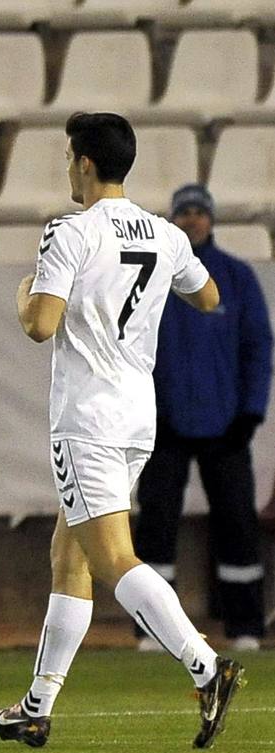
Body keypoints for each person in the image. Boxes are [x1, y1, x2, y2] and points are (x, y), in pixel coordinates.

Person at [0, 113, 245, 751]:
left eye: (70, 157)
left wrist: (21, 295)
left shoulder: (67, 233)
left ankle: (207, 667)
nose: (68, 168)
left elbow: (40, 324)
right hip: (135, 416)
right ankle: (37, 707)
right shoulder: (165, 233)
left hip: (87, 418)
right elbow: (207, 298)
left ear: (87, 164)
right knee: (69, 555)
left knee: (113, 558)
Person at [132, 184, 271, 653]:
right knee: (156, 525)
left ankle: (246, 627)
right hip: (164, 426)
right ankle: (153, 632)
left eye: (199, 212)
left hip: (226, 428)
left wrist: (250, 414)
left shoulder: (235, 277)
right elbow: (132, 349)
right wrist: (147, 412)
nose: (191, 220)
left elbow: (258, 349)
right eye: (183, 213)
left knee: (237, 525)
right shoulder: (153, 278)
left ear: (211, 220)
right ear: (171, 220)